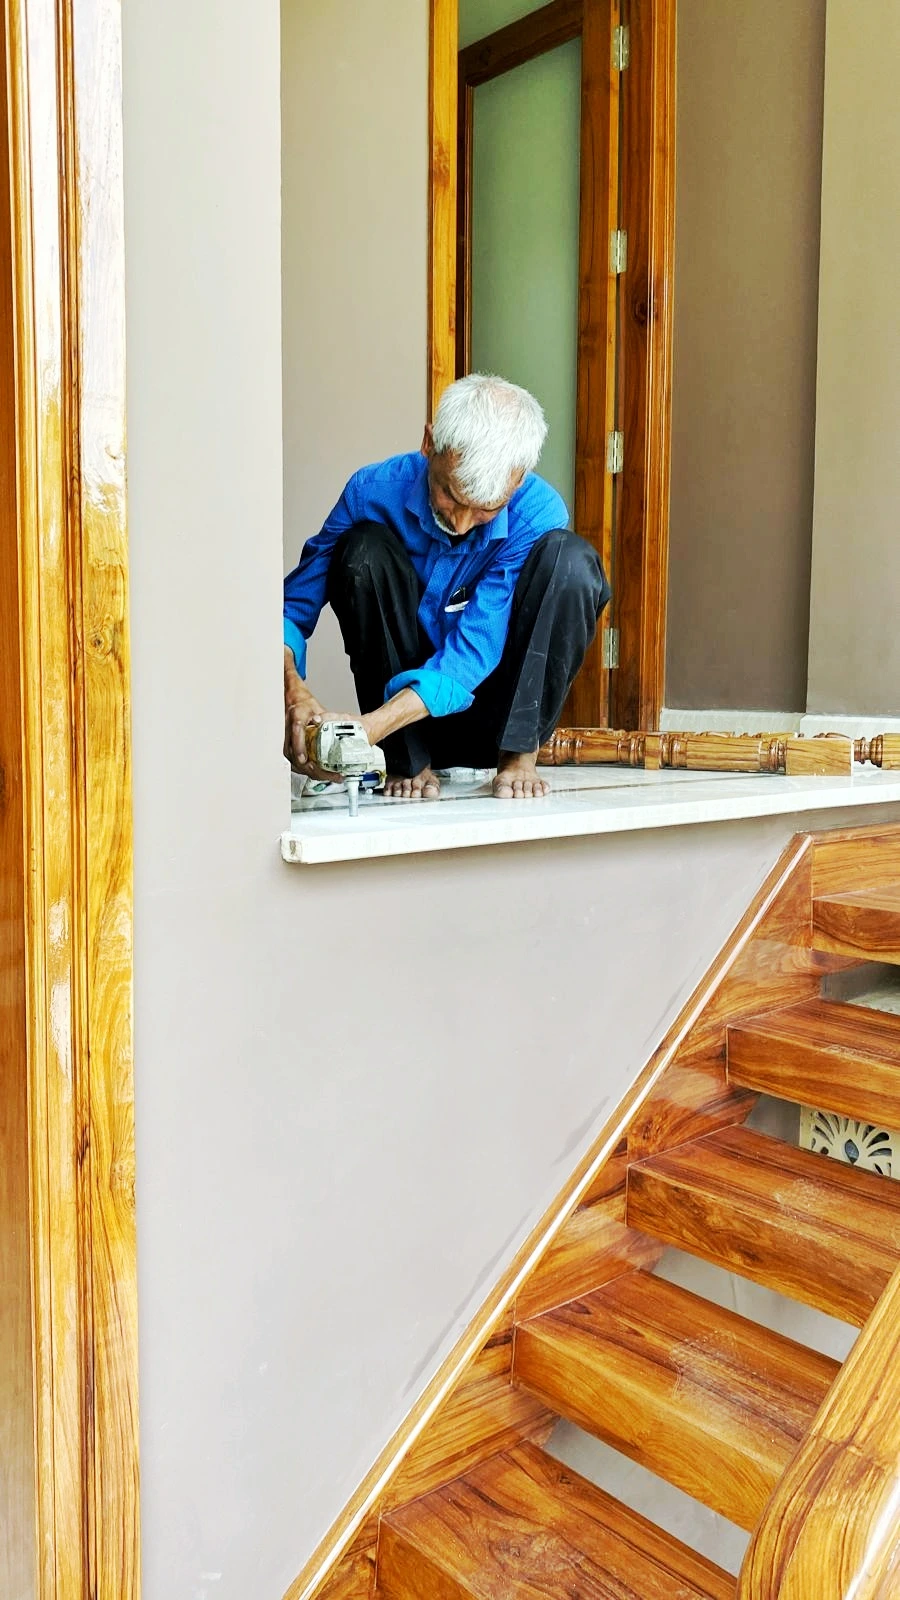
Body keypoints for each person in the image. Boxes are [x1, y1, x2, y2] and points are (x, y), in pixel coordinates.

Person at [283, 373, 610, 800]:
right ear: (429, 443)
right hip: (404, 727)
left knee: (571, 562)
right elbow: (292, 608)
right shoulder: (370, 492)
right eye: (450, 495)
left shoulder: (537, 512)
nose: (460, 523)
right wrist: (295, 694)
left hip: (493, 712)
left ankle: (518, 756)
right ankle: (408, 761)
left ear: (518, 480)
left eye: (486, 510)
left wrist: (367, 728)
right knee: (361, 548)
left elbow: (474, 650)